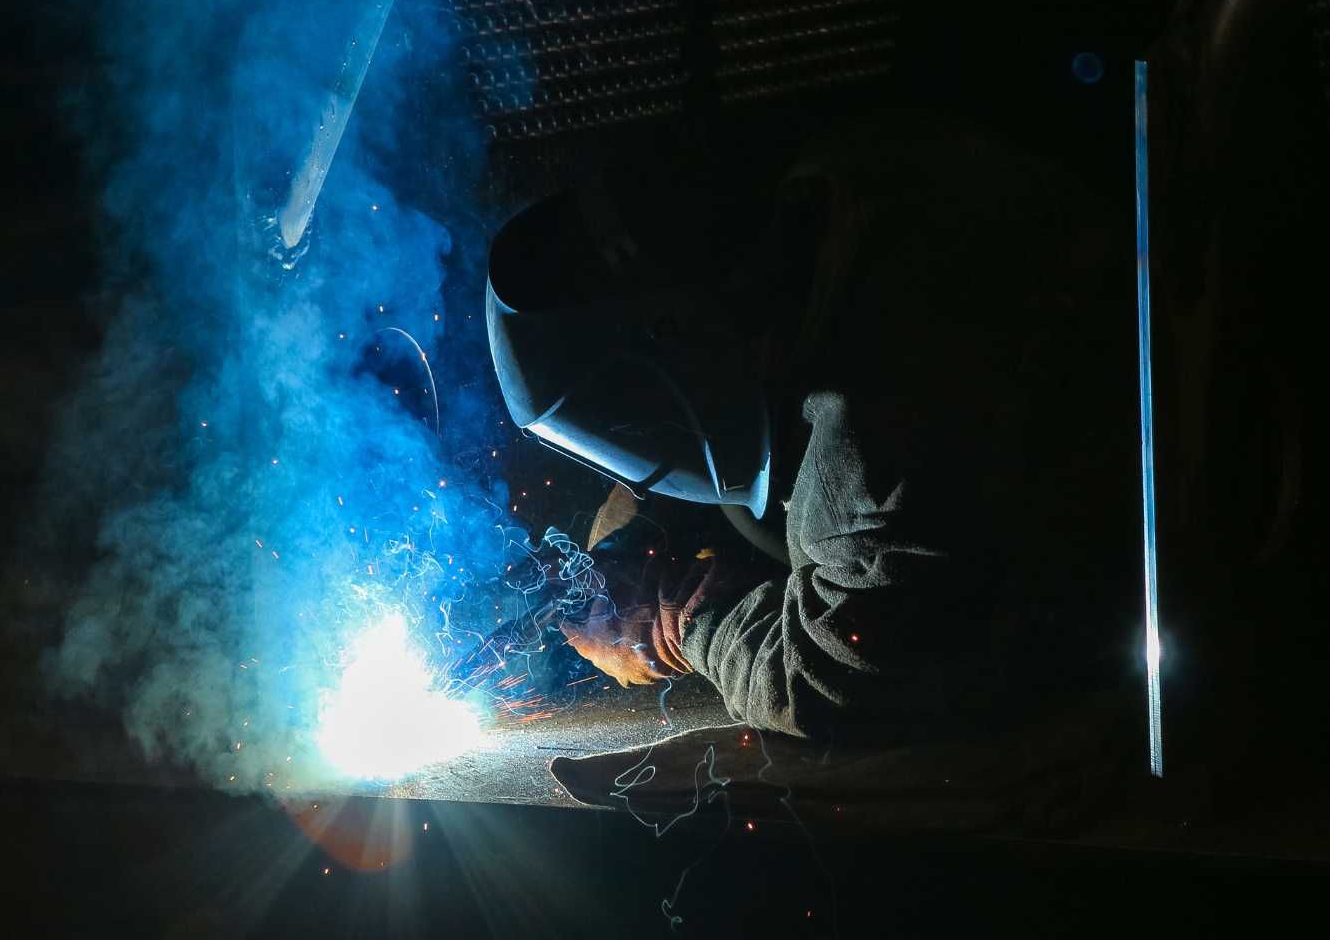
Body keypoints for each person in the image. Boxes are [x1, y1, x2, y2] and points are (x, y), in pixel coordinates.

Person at [486, 115, 1136, 748]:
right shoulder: (835, 185)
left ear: (672, 343)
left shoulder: (869, 443)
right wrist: (639, 542)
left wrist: (682, 621)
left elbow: (830, 682)